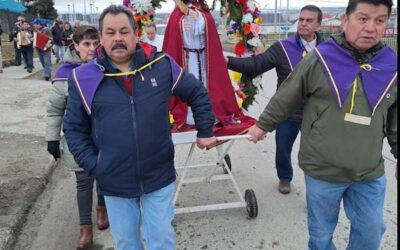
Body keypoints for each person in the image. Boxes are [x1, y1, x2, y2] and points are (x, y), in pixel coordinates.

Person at [63, 5, 217, 250]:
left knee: (162, 240)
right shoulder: (83, 78)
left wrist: (206, 130)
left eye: (124, 31)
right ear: (101, 37)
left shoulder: (161, 65)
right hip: (114, 181)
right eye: (111, 32)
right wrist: (96, 165)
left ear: (135, 34)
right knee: (126, 243)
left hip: (158, 175)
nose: (118, 38)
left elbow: (196, 91)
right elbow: (73, 128)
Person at [247, 0, 397, 249]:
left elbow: (395, 118)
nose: (371, 27)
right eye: (363, 18)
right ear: (345, 21)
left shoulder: (391, 66)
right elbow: (289, 93)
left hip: (368, 171)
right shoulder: (321, 57)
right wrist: (263, 125)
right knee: (320, 234)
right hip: (322, 170)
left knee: (371, 231)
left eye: (379, 21)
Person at [226, 5, 323, 194]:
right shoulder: (283, 48)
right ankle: (285, 178)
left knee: (317, 154)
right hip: (288, 111)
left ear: (319, 25)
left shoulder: (328, 49)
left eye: (309, 20)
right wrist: (228, 62)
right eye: (301, 19)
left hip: (317, 113)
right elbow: (256, 65)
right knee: (283, 149)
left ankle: (317, 186)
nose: (303, 23)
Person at [46, 25, 109, 250]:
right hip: (78, 138)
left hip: (104, 135)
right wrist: (51, 138)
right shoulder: (65, 74)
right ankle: (85, 227)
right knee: (83, 183)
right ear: (75, 46)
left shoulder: (106, 68)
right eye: (86, 44)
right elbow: (54, 110)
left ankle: (102, 208)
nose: (92, 49)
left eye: (95, 44)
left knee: (103, 174)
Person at [163, 0, 242, 129]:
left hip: (204, 58)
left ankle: (208, 113)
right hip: (187, 58)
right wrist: (183, 24)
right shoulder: (177, 14)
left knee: (206, 85)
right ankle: (190, 114)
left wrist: (198, 18)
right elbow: (174, 37)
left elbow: (207, 29)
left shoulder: (204, 12)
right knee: (191, 85)